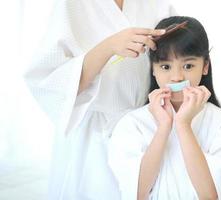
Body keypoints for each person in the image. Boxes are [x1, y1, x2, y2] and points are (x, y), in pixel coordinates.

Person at [23, 0, 176, 199]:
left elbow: (175, 55)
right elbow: (48, 81)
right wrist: (108, 47)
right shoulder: (70, 5)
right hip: (92, 140)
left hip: (144, 131)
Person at [108, 16, 221, 200]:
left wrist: (183, 125)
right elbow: (137, 194)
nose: (177, 77)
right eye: (165, 66)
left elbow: (210, 196)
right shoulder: (133, 124)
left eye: (188, 65)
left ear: (205, 66)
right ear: (153, 69)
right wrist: (164, 128)